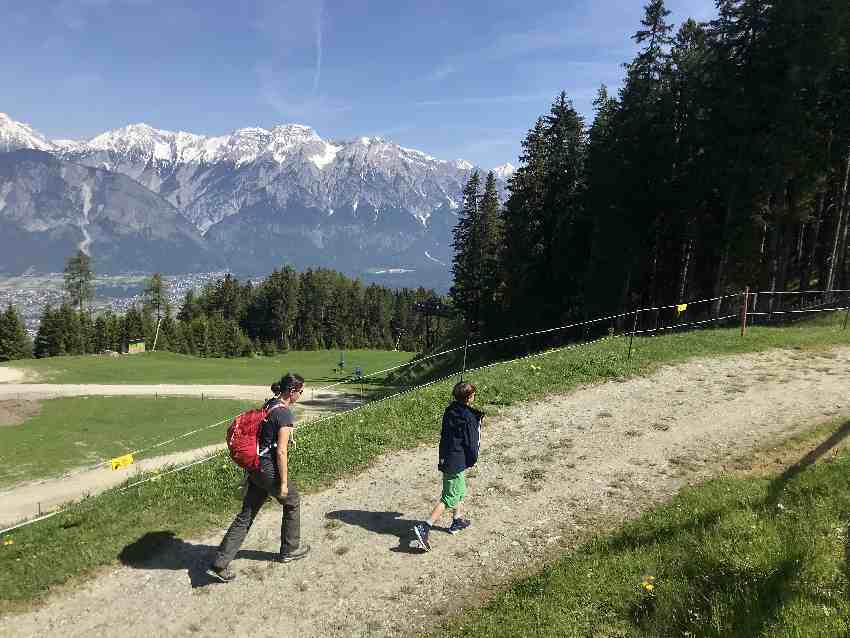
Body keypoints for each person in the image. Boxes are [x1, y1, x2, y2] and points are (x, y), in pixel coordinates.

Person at [208, 373, 310, 582]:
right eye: (301, 391)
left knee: (247, 513)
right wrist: (282, 483)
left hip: (255, 467)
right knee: (292, 501)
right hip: (268, 469)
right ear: (292, 391)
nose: (301, 394)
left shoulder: (270, 404)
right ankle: (290, 549)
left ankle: (220, 563)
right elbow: (281, 452)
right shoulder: (284, 415)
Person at [412, 381, 483, 552]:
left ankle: (457, 520)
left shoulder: (450, 410)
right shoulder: (468, 417)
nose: (474, 396)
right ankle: (425, 527)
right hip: (456, 461)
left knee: (459, 490)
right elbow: (472, 443)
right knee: (449, 497)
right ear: (469, 397)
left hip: (448, 457)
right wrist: (472, 459)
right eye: (473, 394)